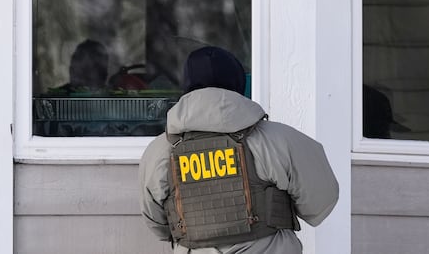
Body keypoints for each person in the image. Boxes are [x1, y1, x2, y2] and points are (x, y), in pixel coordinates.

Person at [139, 46, 339, 253]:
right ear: (238, 84)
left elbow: (159, 225)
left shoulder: (159, 151)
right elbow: (320, 203)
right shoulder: (282, 139)